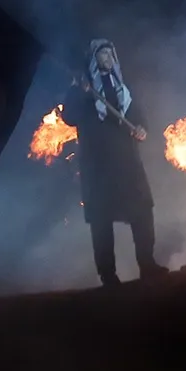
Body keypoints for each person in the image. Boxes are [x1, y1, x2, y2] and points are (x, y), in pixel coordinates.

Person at [62, 40, 169, 286]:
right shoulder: (83, 87)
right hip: (97, 164)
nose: (108, 57)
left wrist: (142, 128)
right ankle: (108, 275)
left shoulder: (123, 88)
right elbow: (69, 117)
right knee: (101, 220)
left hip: (127, 161)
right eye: (102, 54)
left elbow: (138, 114)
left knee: (142, 210)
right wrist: (79, 91)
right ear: (93, 60)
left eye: (111, 53)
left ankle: (147, 264)